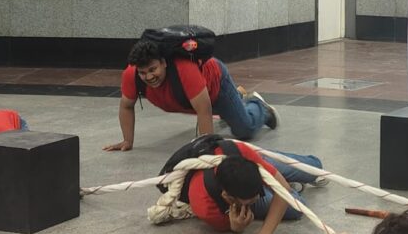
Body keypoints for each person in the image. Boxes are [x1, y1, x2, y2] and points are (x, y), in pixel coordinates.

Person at [104, 39, 278, 151]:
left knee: (244, 130)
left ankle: (258, 106)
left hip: (216, 87)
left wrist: (208, 150)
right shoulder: (131, 75)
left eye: (153, 69)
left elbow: (204, 109)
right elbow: (126, 105)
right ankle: (237, 98)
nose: (149, 77)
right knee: (224, 112)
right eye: (143, 73)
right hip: (194, 98)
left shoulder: (184, 71)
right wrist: (127, 141)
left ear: (164, 63)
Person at [178, 139, 324, 234]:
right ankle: (276, 180)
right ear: (228, 197)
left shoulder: (241, 153)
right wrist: (235, 227)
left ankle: (270, 164)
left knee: (315, 168)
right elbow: (232, 226)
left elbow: (283, 190)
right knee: (297, 207)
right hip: (226, 192)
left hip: (248, 158)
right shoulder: (205, 205)